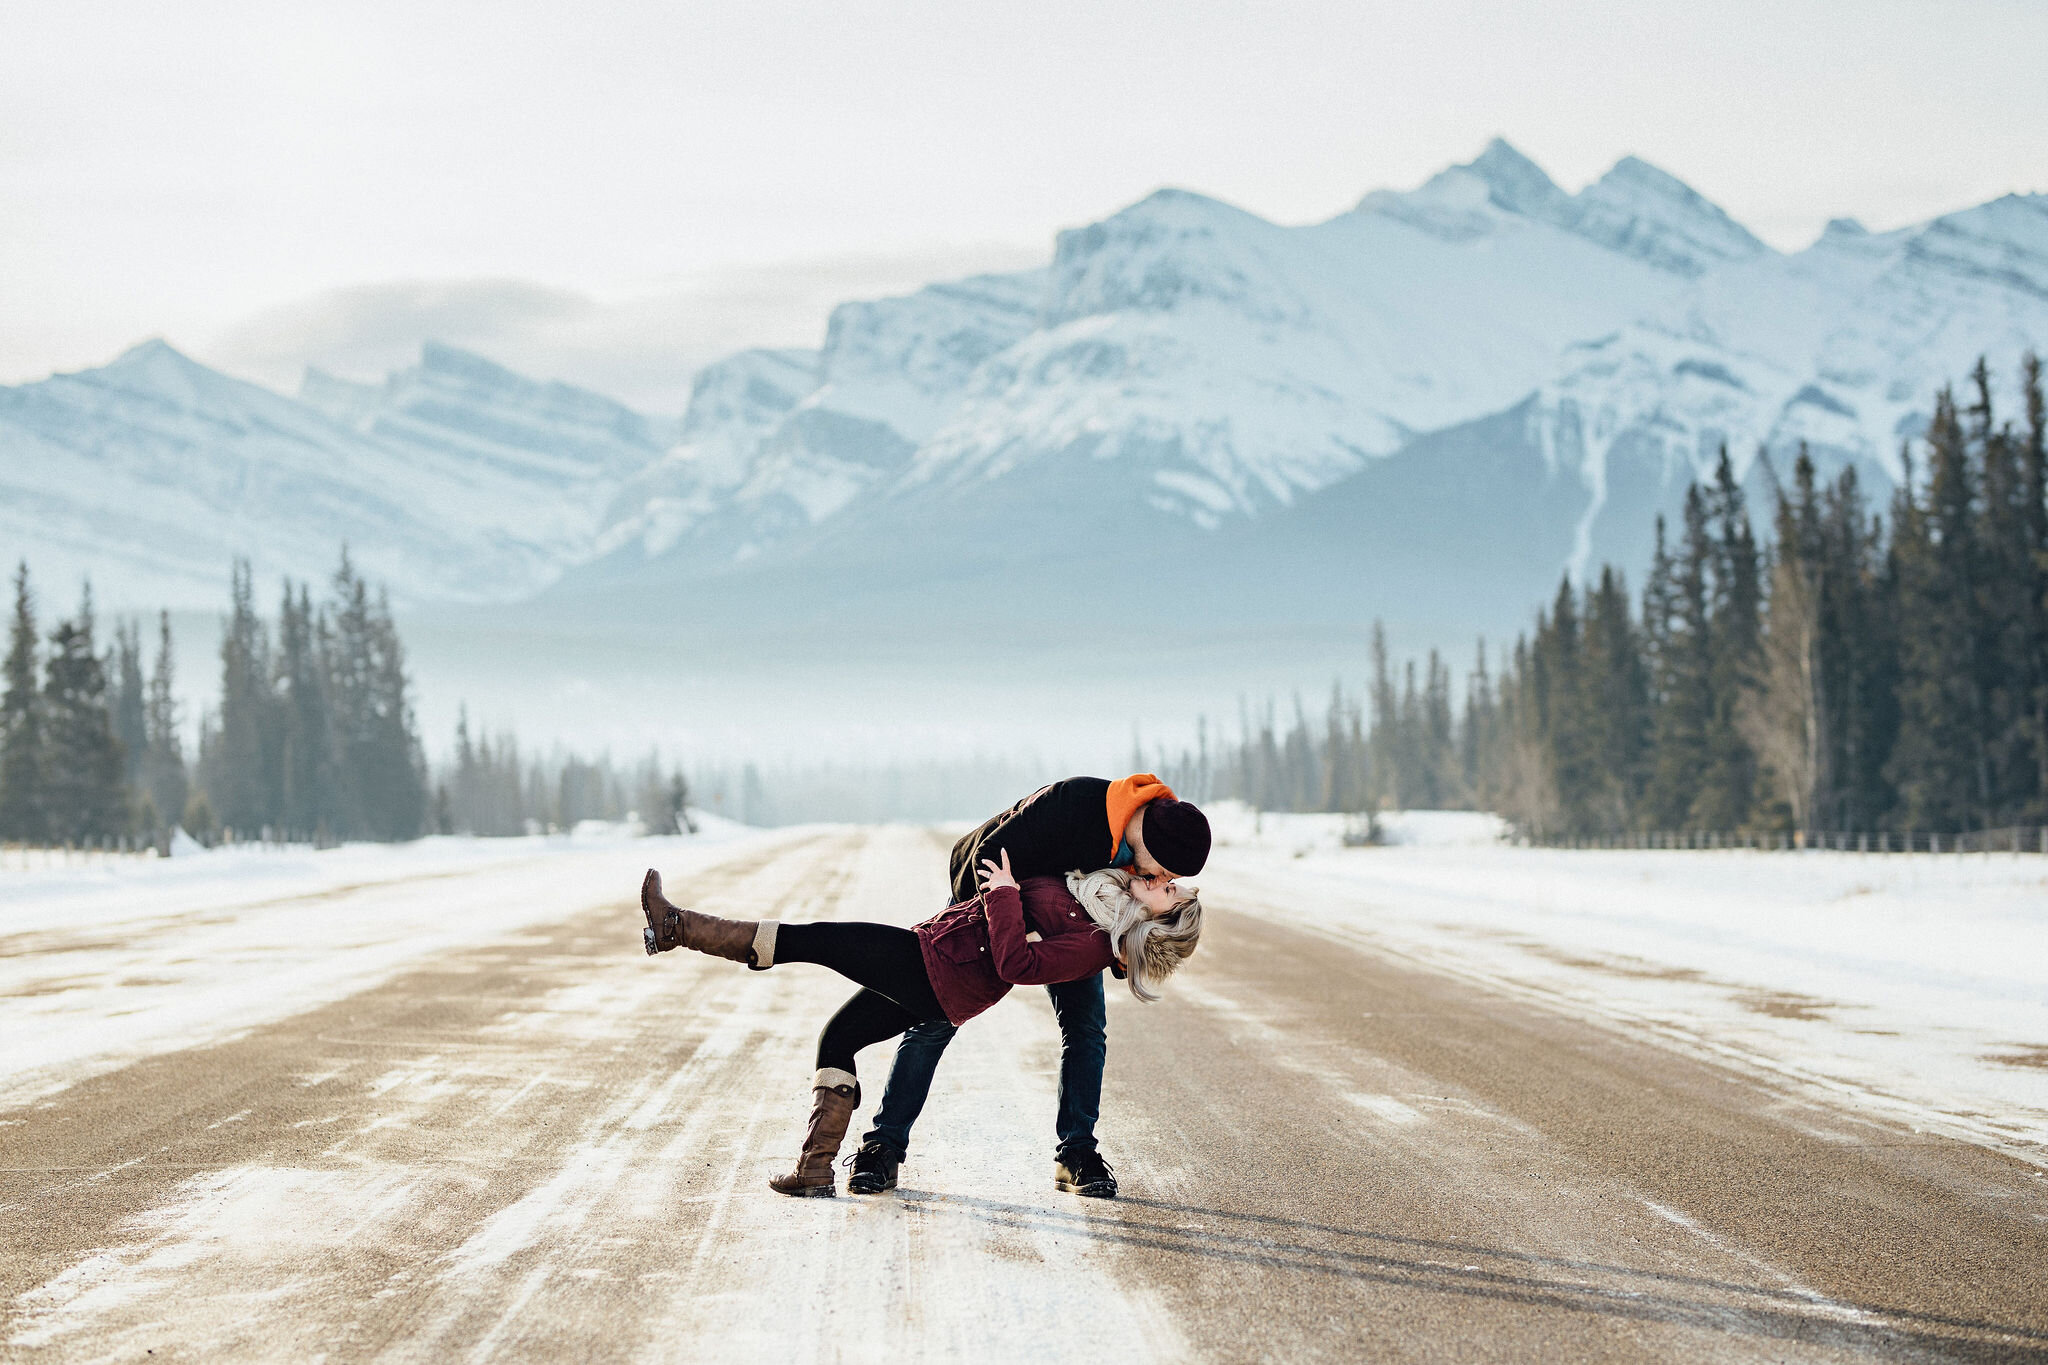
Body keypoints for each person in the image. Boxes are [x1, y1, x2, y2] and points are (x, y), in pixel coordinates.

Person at [638, 847, 1202, 1196]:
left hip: (942, 970)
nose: (1163, 878)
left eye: (1169, 890)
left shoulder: (1091, 945)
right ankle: (814, 1169)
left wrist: (1006, 894)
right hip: (939, 960)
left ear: (1158, 920)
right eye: (1168, 878)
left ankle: (678, 928)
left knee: (820, 939)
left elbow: (1015, 964)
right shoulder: (1099, 893)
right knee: (839, 1036)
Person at [851, 774, 1212, 1199]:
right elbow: (988, 856)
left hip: (1072, 923)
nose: (1160, 877)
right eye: (1166, 870)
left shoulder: (1143, 863)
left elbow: (1140, 924)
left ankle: (1076, 1154)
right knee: (935, 1018)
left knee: (1086, 1030)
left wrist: (1118, 954)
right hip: (989, 895)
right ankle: (883, 1146)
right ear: (1150, 842)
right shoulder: (1077, 804)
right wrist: (982, 927)